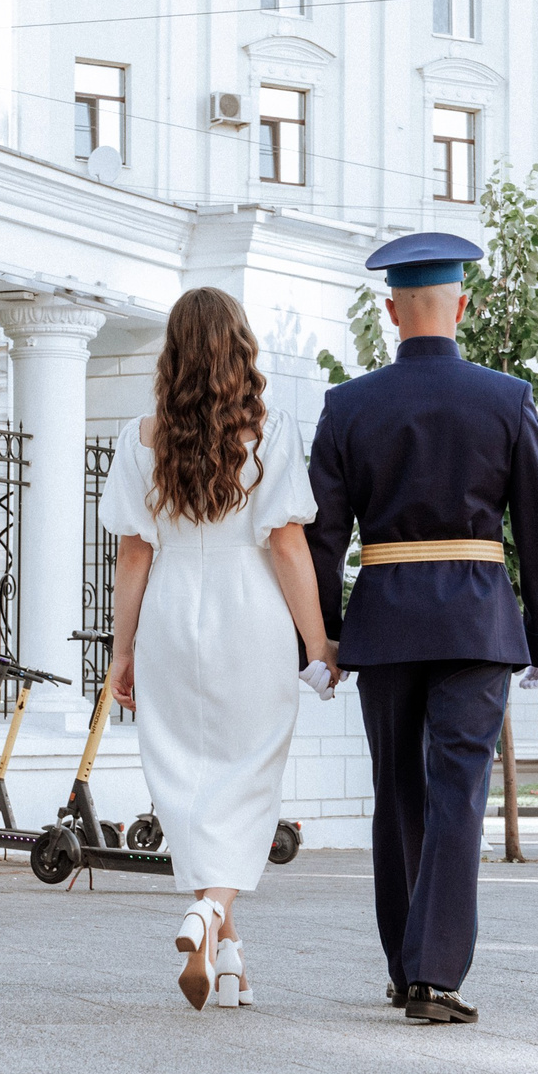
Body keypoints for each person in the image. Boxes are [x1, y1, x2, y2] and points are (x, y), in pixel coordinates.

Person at [306, 232, 538, 1026]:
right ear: (463, 305)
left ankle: (403, 965)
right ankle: (434, 975)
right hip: (476, 622)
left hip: (384, 624)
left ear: (391, 311)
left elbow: (321, 533)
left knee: (397, 792)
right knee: (459, 790)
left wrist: (323, 637)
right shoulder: (507, 397)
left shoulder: (347, 406)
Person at [100, 287, 331, 1011]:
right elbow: (289, 545)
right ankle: (207, 911)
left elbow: (133, 557)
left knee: (194, 783)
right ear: (241, 348)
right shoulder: (271, 431)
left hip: (172, 612)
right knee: (247, 778)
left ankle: (227, 955)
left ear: (172, 353)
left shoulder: (141, 438)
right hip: (250, 614)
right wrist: (319, 640)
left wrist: (121, 651)